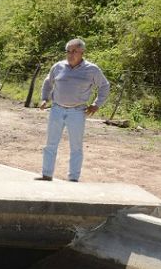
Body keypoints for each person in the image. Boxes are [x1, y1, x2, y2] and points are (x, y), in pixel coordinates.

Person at [37, 38, 110, 182]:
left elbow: (104, 86)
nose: (71, 54)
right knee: (50, 143)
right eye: (68, 51)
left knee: (76, 146)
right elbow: (48, 82)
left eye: (75, 51)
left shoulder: (92, 69)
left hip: (77, 112)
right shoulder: (58, 66)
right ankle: (46, 175)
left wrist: (97, 104)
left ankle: (73, 178)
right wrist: (44, 98)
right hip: (56, 109)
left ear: (82, 52)